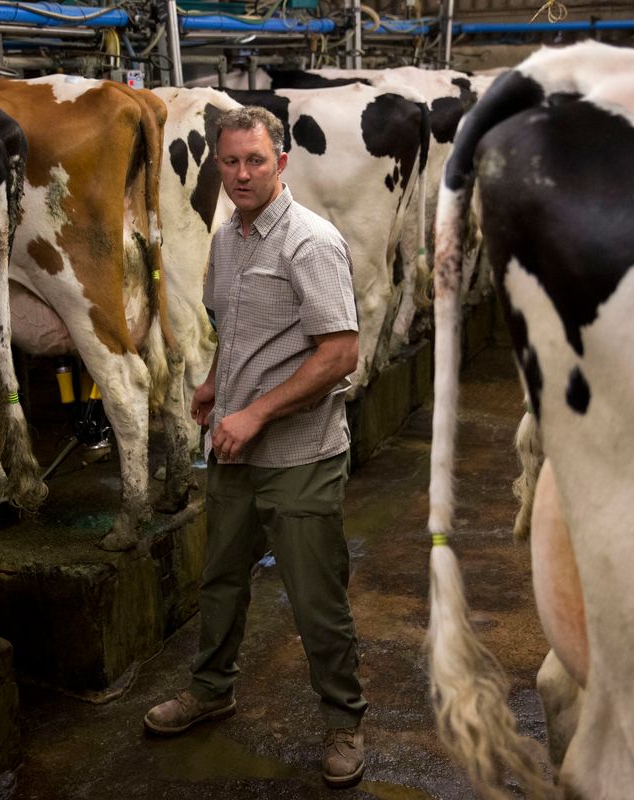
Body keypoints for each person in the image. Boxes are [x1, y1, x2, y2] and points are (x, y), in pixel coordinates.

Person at [144, 106, 368, 787]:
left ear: (282, 163)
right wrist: (216, 385)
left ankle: (343, 723)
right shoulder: (229, 238)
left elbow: (341, 355)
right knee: (221, 581)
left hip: (299, 456)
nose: (241, 174)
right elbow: (237, 329)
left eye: (255, 161)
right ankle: (213, 690)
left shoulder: (310, 243)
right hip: (235, 449)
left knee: (315, 599)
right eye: (231, 161)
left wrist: (259, 412)